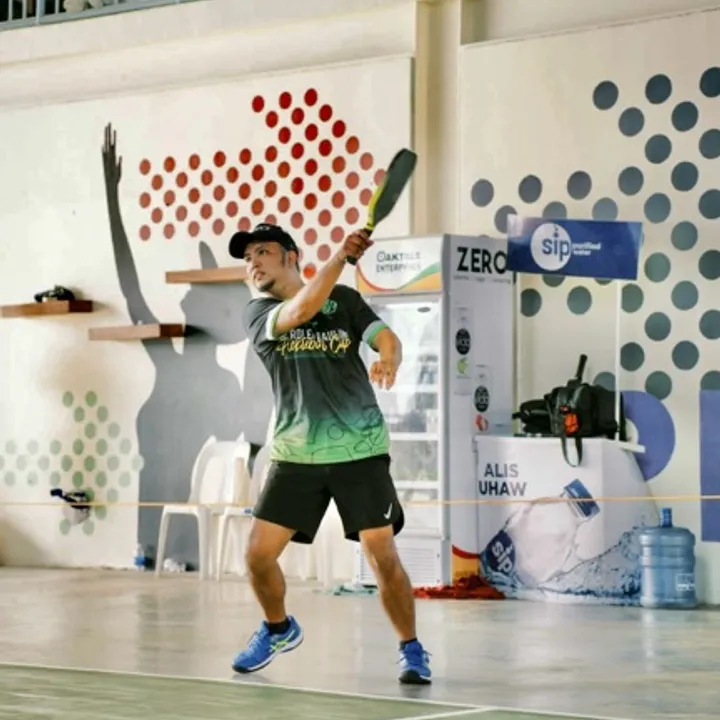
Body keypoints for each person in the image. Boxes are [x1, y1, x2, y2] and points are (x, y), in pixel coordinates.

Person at [226, 222, 432, 685]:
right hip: (297, 453)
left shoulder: (345, 301)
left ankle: (411, 649)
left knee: (382, 556)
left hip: (360, 449)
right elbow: (301, 309)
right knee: (257, 555)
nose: (253, 263)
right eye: (248, 258)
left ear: (291, 256)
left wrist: (389, 356)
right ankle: (278, 628)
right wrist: (341, 257)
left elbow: (387, 339)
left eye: (263, 252)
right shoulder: (258, 313)